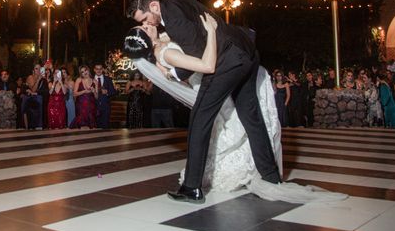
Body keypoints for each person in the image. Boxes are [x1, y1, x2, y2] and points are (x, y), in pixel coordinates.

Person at [123, 25, 345, 205]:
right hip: (212, 84)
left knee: (244, 121)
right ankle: (245, 172)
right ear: (147, 39)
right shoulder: (165, 52)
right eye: (143, 27)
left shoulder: (164, 40)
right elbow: (202, 66)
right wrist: (210, 32)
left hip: (220, 82)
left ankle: (258, 170)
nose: (147, 24)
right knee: (238, 124)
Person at [127, 0, 282, 204]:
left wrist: (173, 72)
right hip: (247, 52)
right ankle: (271, 176)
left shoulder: (172, 19)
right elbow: (194, 37)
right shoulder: (175, 2)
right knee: (251, 117)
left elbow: (200, 60)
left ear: (153, 6)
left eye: (145, 19)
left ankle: (191, 187)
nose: (149, 24)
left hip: (227, 60)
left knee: (199, 119)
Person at [93, 63, 116, 129]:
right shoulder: (90, 79)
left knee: (105, 127)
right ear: (94, 70)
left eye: (100, 69)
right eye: (97, 69)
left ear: (102, 69)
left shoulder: (108, 79)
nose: (99, 70)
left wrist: (107, 92)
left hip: (106, 106)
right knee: (94, 127)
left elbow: (113, 92)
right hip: (94, 106)